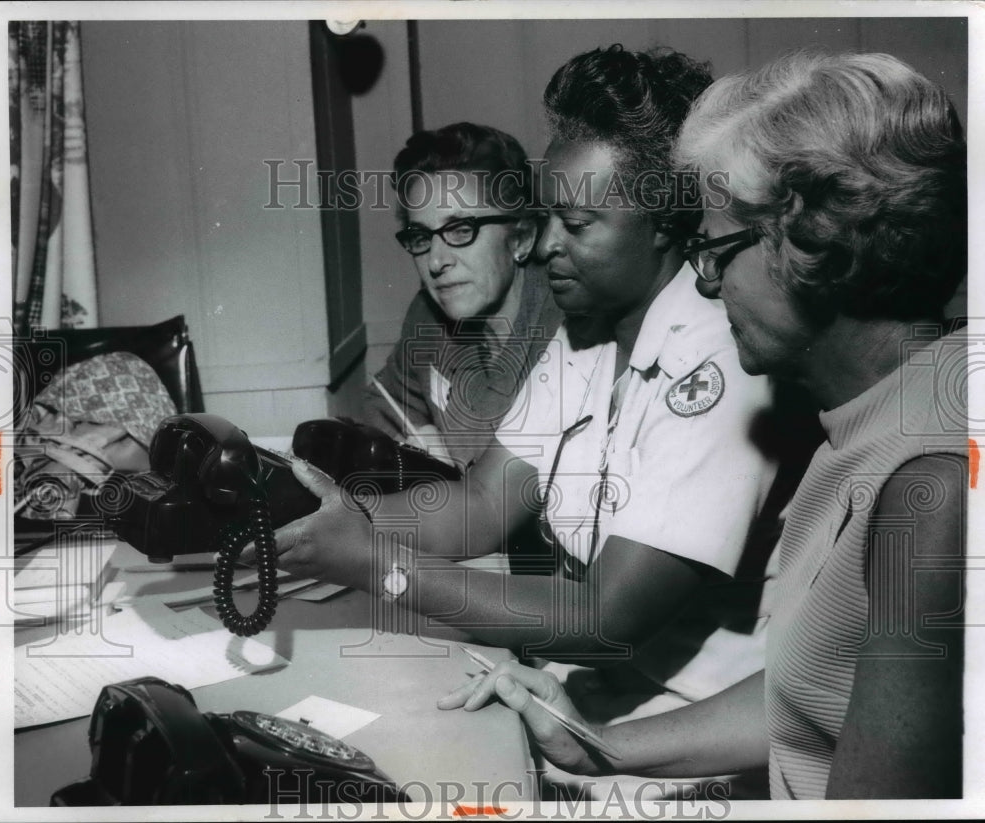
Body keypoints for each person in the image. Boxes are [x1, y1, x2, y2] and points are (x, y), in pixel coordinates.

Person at [439, 50, 968, 800]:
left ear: (817, 251)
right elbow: (810, 694)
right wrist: (602, 746)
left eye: (717, 249)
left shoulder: (931, 480)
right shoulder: (856, 426)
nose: (707, 281)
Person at [269, 44, 781, 702]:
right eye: (546, 220)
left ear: (663, 220)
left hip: (677, 731)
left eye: (575, 223)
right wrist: (325, 511)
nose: (544, 245)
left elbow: (606, 617)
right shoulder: (588, 336)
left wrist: (377, 563)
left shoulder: (720, 363)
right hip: (575, 692)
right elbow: (479, 505)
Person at [361, 122, 562, 472]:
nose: (436, 262)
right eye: (421, 237)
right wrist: (419, 439)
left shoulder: (567, 327)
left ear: (522, 238)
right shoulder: (427, 315)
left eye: (460, 229)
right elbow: (383, 405)